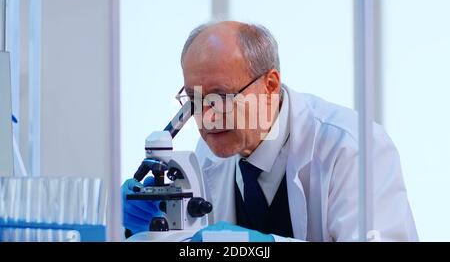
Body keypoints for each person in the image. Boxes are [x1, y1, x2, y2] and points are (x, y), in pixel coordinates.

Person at [122, 21, 418, 242]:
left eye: (221, 97)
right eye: (195, 99)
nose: (207, 117)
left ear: (270, 86)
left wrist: (264, 247)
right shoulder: (211, 155)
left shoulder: (352, 148)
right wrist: (160, 226)